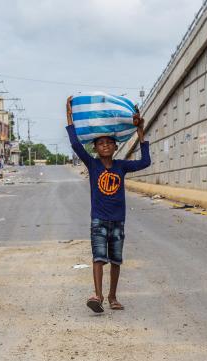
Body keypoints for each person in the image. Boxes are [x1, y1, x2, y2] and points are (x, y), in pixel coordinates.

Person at [65, 96, 151, 313]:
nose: (105, 146)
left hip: (118, 220)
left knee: (116, 260)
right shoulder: (92, 164)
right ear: (95, 148)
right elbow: (75, 144)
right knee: (98, 257)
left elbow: (145, 162)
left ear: (115, 147)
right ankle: (98, 295)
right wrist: (69, 115)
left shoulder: (121, 166)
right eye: (101, 143)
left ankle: (113, 296)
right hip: (99, 219)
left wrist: (141, 132)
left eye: (109, 143)